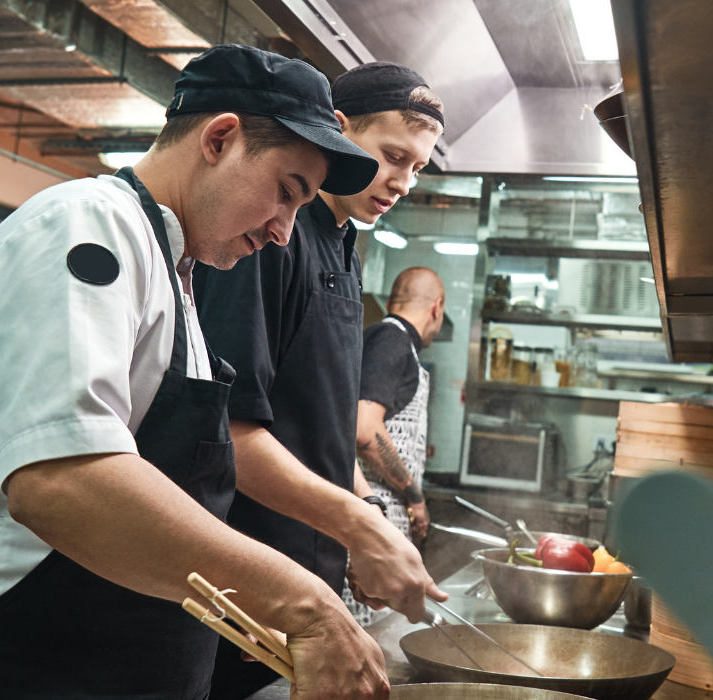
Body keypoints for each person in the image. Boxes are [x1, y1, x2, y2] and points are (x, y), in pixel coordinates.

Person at [0, 45, 391, 700]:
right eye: (286, 193)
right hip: (29, 670)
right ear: (220, 139)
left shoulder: (177, 274)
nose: (285, 231)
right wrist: (299, 601)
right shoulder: (86, 224)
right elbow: (65, 480)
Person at [193, 62, 447, 699]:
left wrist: (362, 523)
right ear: (339, 131)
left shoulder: (345, 247)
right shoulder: (267, 238)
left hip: (308, 579)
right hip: (246, 579)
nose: (404, 182)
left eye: (418, 167)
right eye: (394, 156)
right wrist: (359, 527)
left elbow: (323, 424)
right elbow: (228, 431)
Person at [347, 267, 445, 626]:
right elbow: (364, 430)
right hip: (369, 520)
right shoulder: (392, 340)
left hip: (377, 526)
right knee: (362, 632)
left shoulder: (387, 339)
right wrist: (414, 495)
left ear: (391, 301)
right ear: (436, 308)